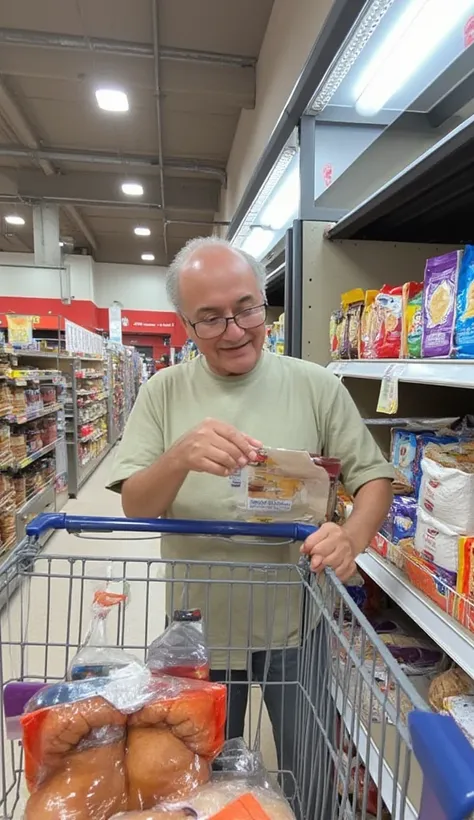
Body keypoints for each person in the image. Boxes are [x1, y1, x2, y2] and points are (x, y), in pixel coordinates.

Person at [107, 236, 393, 808]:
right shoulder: (163, 392)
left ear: (265, 302)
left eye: (246, 309)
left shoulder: (317, 386)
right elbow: (136, 504)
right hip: (198, 626)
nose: (235, 330)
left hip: (297, 620)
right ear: (187, 325)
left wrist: (353, 536)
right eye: (210, 319)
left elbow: (373, 477)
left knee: (307, 760)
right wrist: (179, 456)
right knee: (199, 772)